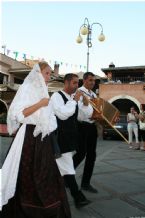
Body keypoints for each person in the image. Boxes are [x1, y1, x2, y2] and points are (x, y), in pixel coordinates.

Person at [0, 62, 71, 218]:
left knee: (46, 173)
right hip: (28, 137)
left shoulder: (44, 90)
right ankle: (24, 207)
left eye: (50, 73)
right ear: (38, 73)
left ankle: (47, 207)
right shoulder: (27, 89)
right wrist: (40, 104)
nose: (49, 76)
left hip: (43, 137)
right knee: (26, 173)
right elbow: (18, 115)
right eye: (47, 73)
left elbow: (50, 115)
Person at [50, 73, 93, 208]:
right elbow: (62, 114)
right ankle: (78, 197)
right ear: (67, 83)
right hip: (60, 139)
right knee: (68, 167)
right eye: (74, 83)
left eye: (77, 83)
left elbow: (86, 115)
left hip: (70, 139)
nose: (77, 86)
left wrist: (85, 105)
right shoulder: (57, 96)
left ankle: (54, 194)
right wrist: (74, 101)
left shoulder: (73, 98)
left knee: (62, 169)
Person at [73, 72, 99, 193]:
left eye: (94, 80)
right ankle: (66, 178)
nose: (93, 82)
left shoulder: (94, 94)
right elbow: (79, 112)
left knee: (92, 155)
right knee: (81, 153)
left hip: (92, 126)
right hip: (82, 126)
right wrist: (87, 106)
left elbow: (96, 111)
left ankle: (85, 183)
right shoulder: (79, 92)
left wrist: (99, 117)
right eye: (90, 80)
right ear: (84, 80)